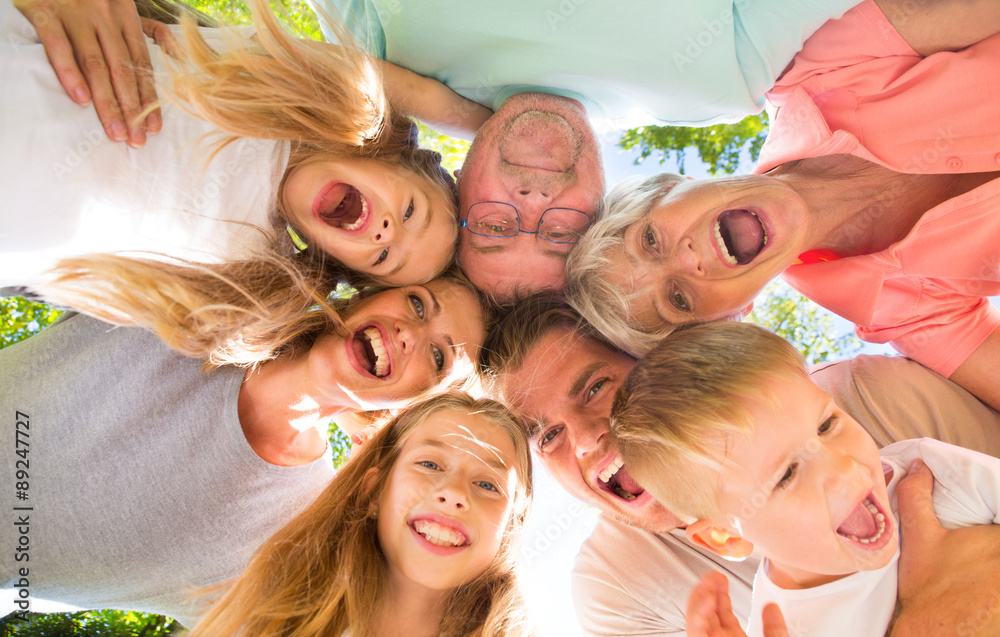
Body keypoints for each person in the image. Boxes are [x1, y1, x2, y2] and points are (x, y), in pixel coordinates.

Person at [478, 293, 1000, 635]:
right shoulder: (614, 589)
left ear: (656, 365)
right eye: (547, 435)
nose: (589, 438)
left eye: (596, 387)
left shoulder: (866, 399)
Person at [563, 2, 1000, 411]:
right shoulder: (898, 309)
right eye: (677, 299)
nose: (686, 263)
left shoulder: (823, 70)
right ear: (735, 314)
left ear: (678, 186)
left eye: (651, 240)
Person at [1, 0, 474, 363]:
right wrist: (484, 124)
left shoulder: (250, 270)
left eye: (384, 256)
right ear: (384, 157)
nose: (386, 231)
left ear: (337, 259)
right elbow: (415, 94)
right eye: (411, 210)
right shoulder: (275, 84)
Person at [0, 276, 485, 625]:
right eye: (419, 305)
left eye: (438, 357)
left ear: (413, 406)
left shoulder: (299, 530)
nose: (410, 333)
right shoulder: (222, 291)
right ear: (372, 292)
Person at [611, 322, 1000, 637]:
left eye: (827, 425)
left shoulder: (926, 468)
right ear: (726, 537)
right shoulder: (779, 630)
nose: (843, 469)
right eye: (787, 474)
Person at [190, 391, 534, 637]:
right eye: (429, 464)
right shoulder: (258, 624)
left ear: (509, 530)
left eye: (488, 484)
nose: (455, 493)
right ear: (373, 492)